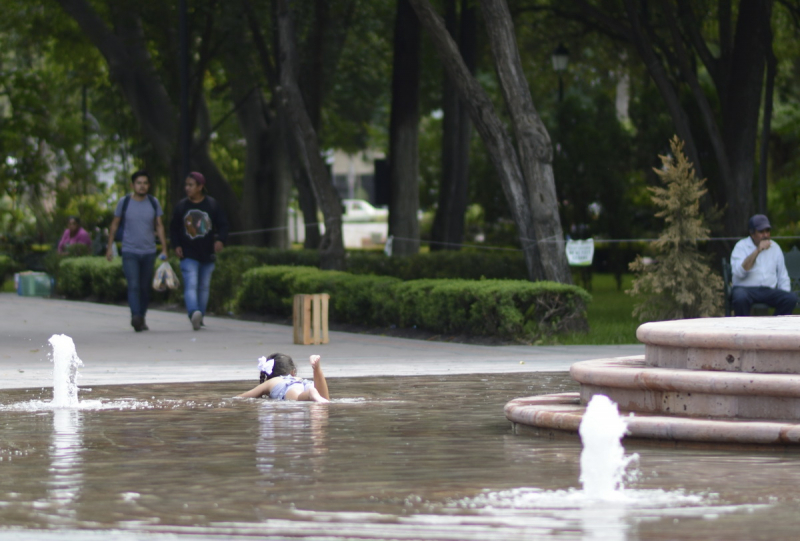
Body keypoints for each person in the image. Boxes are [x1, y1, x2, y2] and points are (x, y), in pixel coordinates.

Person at [107, 171, 169, 332]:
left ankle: (142, 316)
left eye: (145, 183)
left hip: (148, 251)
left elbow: (159, 225)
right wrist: (109, 246)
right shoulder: (125, 202)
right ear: (132, 185)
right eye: (139, 183)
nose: (142, 186)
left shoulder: (154, 202)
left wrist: (164, 248)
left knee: (144, 286)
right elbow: (114, 224)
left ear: (148, 185)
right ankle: (135, 316)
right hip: (129, 251)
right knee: (133, 285)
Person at [170, 171, 229, 331]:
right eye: (186, 185)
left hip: (207, 252)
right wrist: (176, 245)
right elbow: (174, 228)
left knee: (203, 286)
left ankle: (199, 316)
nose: (187, 188)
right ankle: (193, 312)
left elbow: (223, 225)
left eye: (191, 185)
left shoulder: (211, 205)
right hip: (188, 253)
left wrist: (220, 240)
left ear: (200, 187)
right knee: (191, 284)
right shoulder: (182, 206)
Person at [730, 214, 797, 316]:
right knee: (740, 298)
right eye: (761, 232)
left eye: (767, 231)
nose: (765, 235)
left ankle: (774, 328)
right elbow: (740, 273)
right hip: (745, 289)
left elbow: (783, 276)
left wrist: (784, 294)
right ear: (752, 234)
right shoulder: (741, 246)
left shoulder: (775, 247)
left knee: (791, 298)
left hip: (768, 290)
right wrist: (757, 250)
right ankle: (743, 330)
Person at [239, 353, 330, 403]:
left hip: (288, 388)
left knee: (298, 397)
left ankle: (310, 393)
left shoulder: (271, 382)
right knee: (324, 398)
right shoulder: (297, 378)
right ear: (293, 371)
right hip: (305, 383)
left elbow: (242, 397)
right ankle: (317, 370)